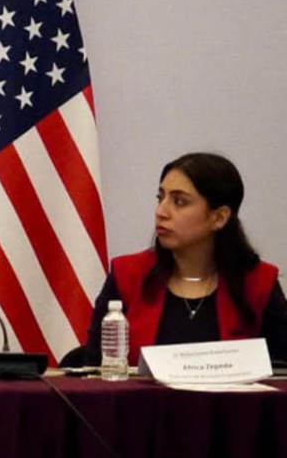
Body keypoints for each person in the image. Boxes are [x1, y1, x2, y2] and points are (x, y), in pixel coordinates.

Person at [72, 152, 287, 366]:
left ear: (219, 217)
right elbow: (94, 371)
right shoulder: (128, 274)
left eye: (179, 202)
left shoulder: (258, 283)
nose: (161, 211)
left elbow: (281, 372)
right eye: (160, 198)